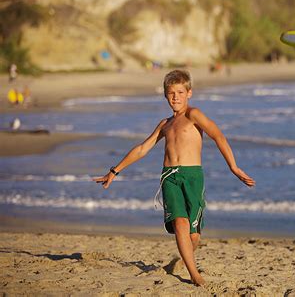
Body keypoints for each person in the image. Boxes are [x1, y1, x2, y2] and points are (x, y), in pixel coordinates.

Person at [93, 69, 255, 286]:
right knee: (180, 223)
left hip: (193, 177)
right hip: (169, 177)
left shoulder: (194, 115)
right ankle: (194, 275)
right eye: (171, 93)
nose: (175, 97)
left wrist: (233, 167)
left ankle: (182, 259)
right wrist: (114, 171)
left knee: (194, 235)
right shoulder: (165, 124)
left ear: (189, 93)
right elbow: (142, 148)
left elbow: (218, 136)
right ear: (165, 95)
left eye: (180, 92)